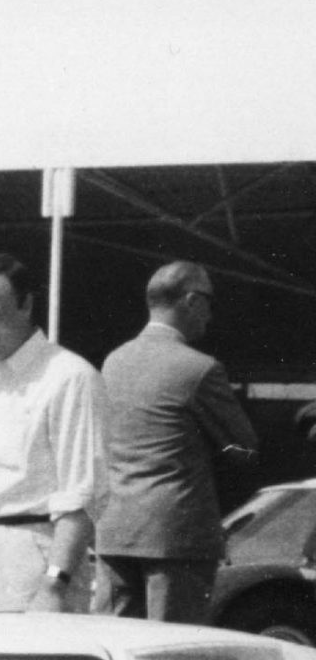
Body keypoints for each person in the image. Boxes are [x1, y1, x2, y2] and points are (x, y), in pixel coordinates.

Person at [0, 253, 106, 611]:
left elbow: (82, 498)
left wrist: (54, 586)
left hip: (34, 561)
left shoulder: (68, 377)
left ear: (26, 305)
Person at [94, 262, 259, 622]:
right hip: (177, 537)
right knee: (172, 645)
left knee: (115, 641)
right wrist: (215, 447)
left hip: (115, 531)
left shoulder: (113, 361)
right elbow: (245, 450)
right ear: (191, 300)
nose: (210, 315)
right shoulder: (200, 368)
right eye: (209, 302)